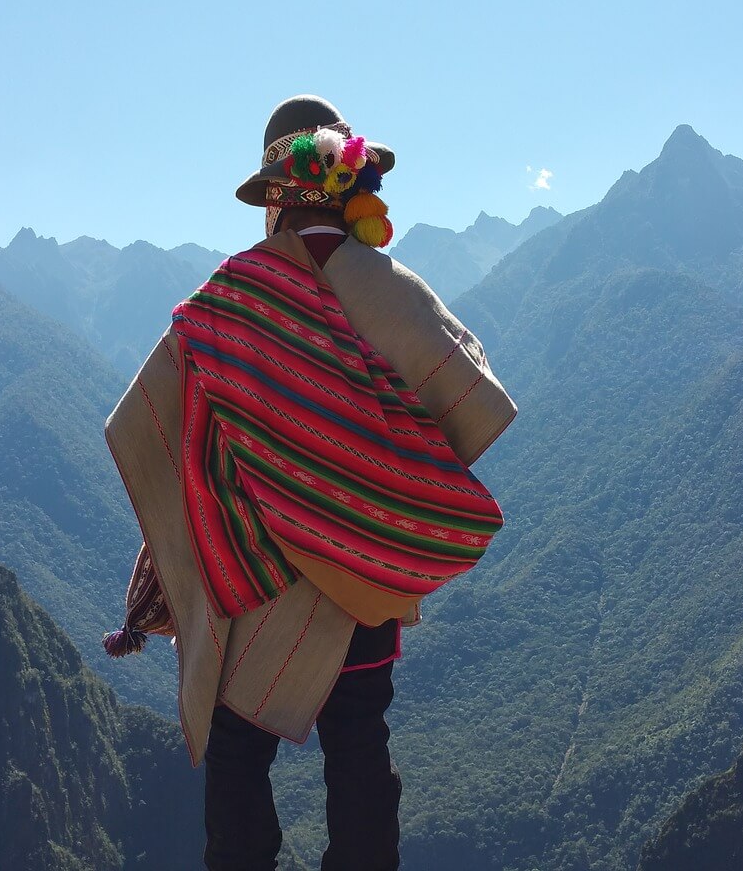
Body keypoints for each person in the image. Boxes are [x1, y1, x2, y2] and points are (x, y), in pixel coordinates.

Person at [102, 95, 517, 870]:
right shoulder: (393, 290)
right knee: (359, 745)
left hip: (256, 583)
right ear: (345, 186)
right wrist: (381, 490)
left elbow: (155, 429)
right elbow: (472, 396)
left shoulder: (225, 302)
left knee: (237, 756)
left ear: (276, 199)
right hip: (365, 582)